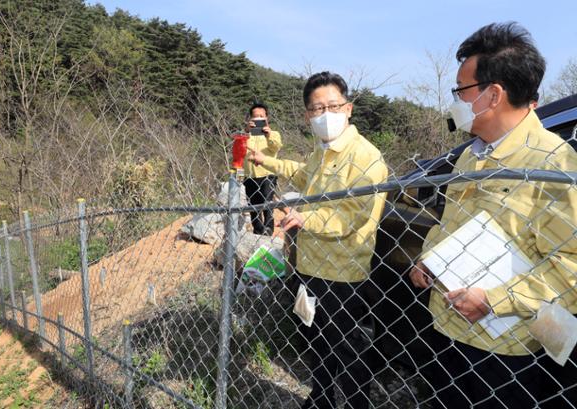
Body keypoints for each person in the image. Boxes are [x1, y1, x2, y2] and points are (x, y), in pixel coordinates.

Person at [408, 22, 577, 408]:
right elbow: (450, 223)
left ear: (493, 94)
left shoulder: (554, 163)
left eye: (461, 91)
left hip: (501, 350)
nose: (455, 101)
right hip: (444, 329)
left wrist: (495, 299)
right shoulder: (471, 154)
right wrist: (429, 259)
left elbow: (571, 267)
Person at [249, 71, 388, 409]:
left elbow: (352, 214)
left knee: (349, 349)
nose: (325, 115)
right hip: (309, 267)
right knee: (315, 341)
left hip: (342, 275)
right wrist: (264, 160)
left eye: (332, 106)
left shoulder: (365, 157)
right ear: (307, 115)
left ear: (349, 108)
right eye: (316, 109)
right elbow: (300, 172)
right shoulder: (320, 152)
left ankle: (357, 403)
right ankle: (322, 397)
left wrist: (304, 217)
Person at [242, 102, 282, 235]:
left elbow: (276, 146)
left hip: (267, 175)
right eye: (255, 116)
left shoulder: (274, 134)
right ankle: (258, 232)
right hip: (250, 176)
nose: (258, 118)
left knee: (268, 205)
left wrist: (268, 134)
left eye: (261, 116)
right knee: (253, 207)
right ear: (250, 119)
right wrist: (246, 131)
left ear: (267, 118)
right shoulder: (246, 135)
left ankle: (268, 231)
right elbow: (239, 150)